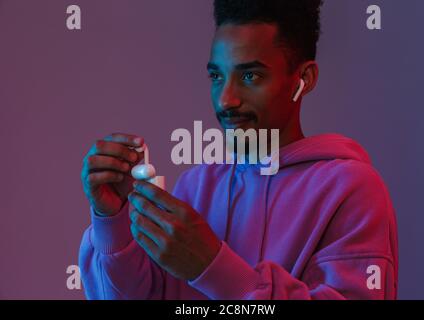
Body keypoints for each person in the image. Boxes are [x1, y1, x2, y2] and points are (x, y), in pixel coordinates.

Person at [79, 0, 398, 299]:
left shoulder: (352, 191)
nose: (225, 99)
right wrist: (112, 220)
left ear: (304, 79)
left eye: (250, 75)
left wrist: (212, 266)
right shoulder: (195, 186)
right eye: (217, 76)